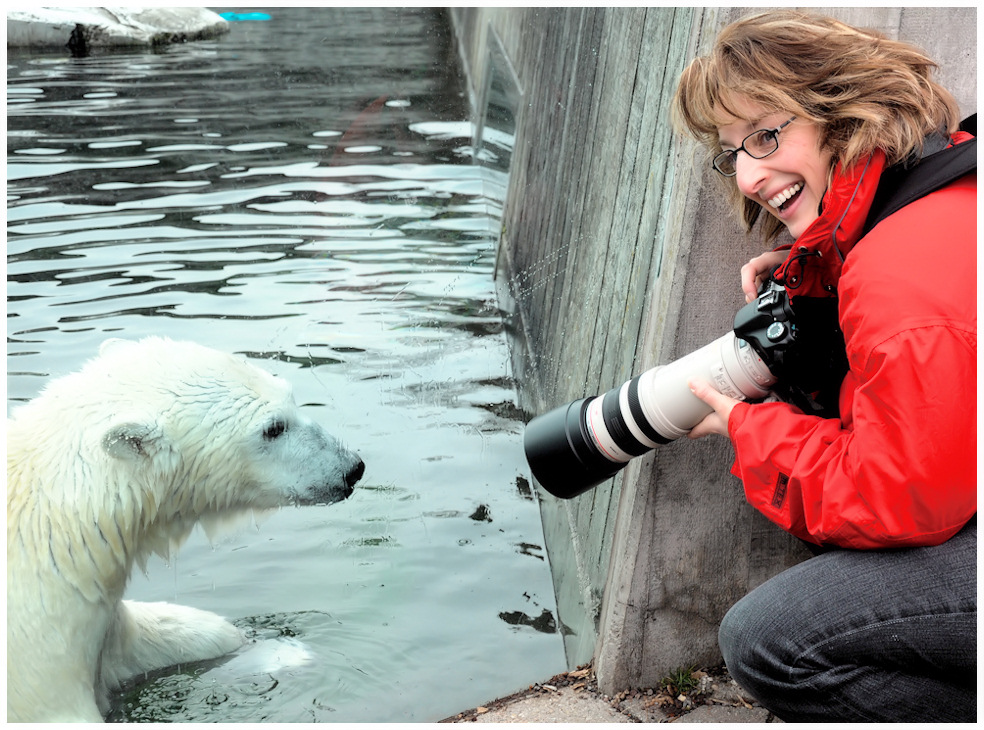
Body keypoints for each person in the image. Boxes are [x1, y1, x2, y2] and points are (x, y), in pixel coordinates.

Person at [670, 10, 976, 722]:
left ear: (842, 111)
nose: (747, 176)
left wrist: (749, 428)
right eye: (731, 152)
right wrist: (823, 272)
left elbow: (901, 500)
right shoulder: (944, 179)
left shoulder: (897, 272)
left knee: (771, 640)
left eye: (767, 135)